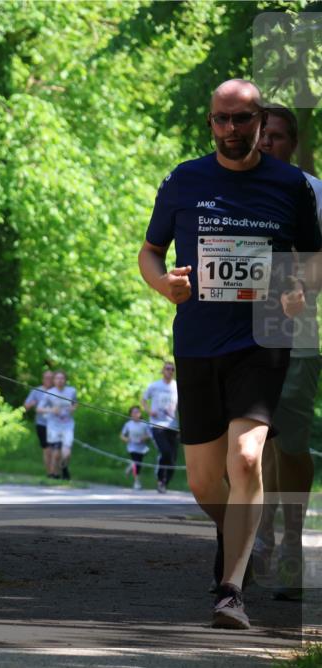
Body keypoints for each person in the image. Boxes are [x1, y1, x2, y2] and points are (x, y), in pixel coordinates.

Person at [138, 79, 321, 629]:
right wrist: (163, 284)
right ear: (211, 122)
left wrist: (301, 290)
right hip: (198, 340)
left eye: (243, 120)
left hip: (264, 339)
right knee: (204, 481)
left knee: (246, 457)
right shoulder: (184, 179)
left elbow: (313, 258)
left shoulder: (291, 186)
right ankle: (239, 532)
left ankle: (230, 591)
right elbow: (150, 252)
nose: (232, 130)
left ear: (260, 121)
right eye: (222, 119)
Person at [249, 103, 322, 600]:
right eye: (261, 134)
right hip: (238, 331)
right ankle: (259, 543)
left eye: (276, 136)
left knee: (288, 442)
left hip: (295, 329)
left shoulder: (313, 191)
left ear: (292, 143)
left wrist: (303, 288)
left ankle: (292, 544)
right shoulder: (233, 187)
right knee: (257, 440)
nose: (266, 143)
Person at [142, 361, 179, 494]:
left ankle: (165, 482)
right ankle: (160, 479)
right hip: (157, 425)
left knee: (173, 458)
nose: (170, 371)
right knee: (165, 452)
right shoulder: (155, 386)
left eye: (172, 369)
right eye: (167, 369)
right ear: (162, 371)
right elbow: (144, 400)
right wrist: (149, 411)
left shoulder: (177, 387)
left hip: (173, 426)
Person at [39, 371, 77, 480]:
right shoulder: (49, 393)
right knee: (55, 453)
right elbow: (39, 409)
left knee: (67, 453)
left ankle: (63, 468)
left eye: (62, 378)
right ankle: (53, 474)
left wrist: (73, 408)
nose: (60, 381)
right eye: (57, 378)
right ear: (54, 380)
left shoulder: (71, 391)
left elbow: (75, 403)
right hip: (54, 426)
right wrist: (51, 410)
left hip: (68, 425)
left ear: (65, 380)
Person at [23, 369, 56, 477]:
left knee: (56, 450)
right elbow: (26, 406)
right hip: (42, 424)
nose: (49, 380)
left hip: (57, 425)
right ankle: (50, 473)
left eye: (51, 378)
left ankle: (55, 472)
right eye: (47, 378)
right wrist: (33, 403)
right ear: (43, 379)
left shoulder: (59, 391)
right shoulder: (37, 391)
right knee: (47, 450)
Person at [121, 406, 154, 491]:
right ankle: (137, 482)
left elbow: (150, 435)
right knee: (137, 463)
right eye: (134, 412)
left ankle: (130, 467)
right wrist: (126, 439)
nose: (136, 414)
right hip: (132, 447)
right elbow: (122, 435)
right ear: (130, 414)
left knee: (138, 463)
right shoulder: (128, 424)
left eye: (137, 412)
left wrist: (144, 438)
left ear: (140, 413)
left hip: (142, 447)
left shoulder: (144, 424)